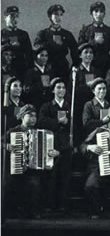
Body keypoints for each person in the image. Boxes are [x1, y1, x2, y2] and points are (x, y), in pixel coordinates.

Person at [5, 104, 60, 219]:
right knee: (10, 183)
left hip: (34, 171)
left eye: (35, 116)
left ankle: (34, 211)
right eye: (30, 116)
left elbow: (53, 151)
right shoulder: (13, 131)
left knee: (35, 183)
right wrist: (6, 146)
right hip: (16, 169)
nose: (33, 119)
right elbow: (1, 143)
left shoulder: (41, 133)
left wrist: (55, 153)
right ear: (22, 116)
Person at [37, 77, 73, 214]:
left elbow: (76, 125)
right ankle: (49, 205)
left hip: (66, 144)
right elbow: (41, 121)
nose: (61, 90)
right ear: (53, 90)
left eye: (63, 87)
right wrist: (58, 122)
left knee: (65, 175)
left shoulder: (70, 106)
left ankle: (63, 205)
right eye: (58, 87)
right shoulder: (46, 106)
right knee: (51, 175)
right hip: (51, 143)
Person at [34, 4, 78, 80]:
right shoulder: (43, 33)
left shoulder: (67, 34)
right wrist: (50, 44)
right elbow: (37, 46)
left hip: (63, 67)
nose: (58, 17)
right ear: (50, 16)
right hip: (48, 66)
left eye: (61, 15)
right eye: (56, 14)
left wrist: (74, 66)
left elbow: (75, 51)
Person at [78, 1, 110, 71]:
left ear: (104, 14)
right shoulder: (85, 30)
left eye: (101, 11)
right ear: (91, 13)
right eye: (96, 11)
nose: (98, 14)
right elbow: (80, 49)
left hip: (106, 65)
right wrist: (94, 42)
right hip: (90, 65)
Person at [2, 6, 32, 77]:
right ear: (5, 17)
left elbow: (29, 53)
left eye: (17, 16)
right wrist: (8, 45)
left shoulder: (23, 34)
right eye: (12, 16)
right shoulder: (2, 34)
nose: (15, 19)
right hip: (6, 69)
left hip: (21, 68)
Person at [23, 43, 54, 108]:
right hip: (35, 104)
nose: (44, 58)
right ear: (36, 56)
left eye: (46, 56)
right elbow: (26, 90)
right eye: (42, 55)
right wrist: (40, 85)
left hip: (47, 105)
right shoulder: (30, 72)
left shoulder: (49, 72)